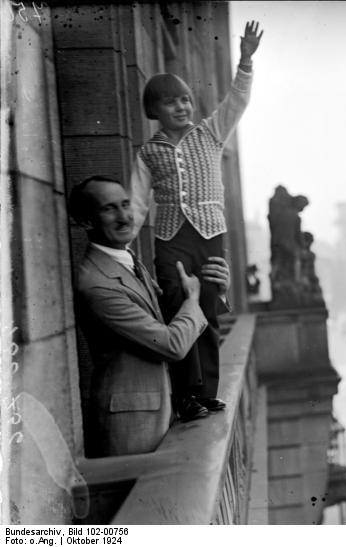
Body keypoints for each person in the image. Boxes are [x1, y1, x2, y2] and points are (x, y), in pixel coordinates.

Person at [129, 22, 262, 422]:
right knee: (178, 309)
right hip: (171, 238)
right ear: (155, 111)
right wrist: (122, 243)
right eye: (171, 103)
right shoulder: (148, 152)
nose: (182, 107)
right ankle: (187, 395)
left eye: (185, 100)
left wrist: (246, 60)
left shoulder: (210, 132)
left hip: (209, 236)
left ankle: (206, 392)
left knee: (207, 309)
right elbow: (136, 201)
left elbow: (237, 101)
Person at [69, 176, 227, 455]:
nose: (124, 216)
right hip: (133, 428)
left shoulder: (126, 260)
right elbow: (171, 344)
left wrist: (216, 291)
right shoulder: (95, 283)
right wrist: (193, 299)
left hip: (164, 414)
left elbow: (169, 315)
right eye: (109, 209)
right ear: (85, 222)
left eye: (126, 205)